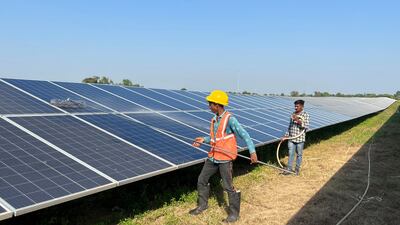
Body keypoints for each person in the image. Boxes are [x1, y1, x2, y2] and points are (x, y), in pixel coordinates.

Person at [189, 90, 258, 223]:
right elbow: (216, 138)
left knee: (228, 186)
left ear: (217, 105)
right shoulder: (214, 119)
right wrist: (203, 139)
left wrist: (252, 151)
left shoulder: (230, 119)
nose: (209, 106)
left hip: (225, 158)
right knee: (201, 179)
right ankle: (202, 205)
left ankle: (233, 214)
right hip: (213, 157)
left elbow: (244, 135)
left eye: (210, 103)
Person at [281, 99, 310, 176]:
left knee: (299, 155)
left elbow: (306, 126)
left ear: (302, 107)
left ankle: (296, 170)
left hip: (300, 139)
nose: (295, 108)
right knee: (291, 154)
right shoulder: (293, 114)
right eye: (295, 106)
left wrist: (298, 120)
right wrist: (286, 136)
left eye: (297, 106)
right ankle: (289, 169)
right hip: (291, 138)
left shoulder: (305, 115)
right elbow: (290, 126)